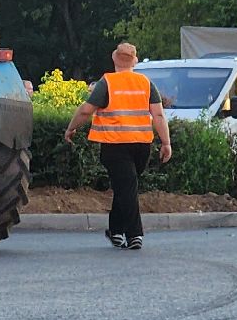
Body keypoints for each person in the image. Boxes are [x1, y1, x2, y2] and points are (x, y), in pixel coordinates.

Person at [63, 42, 172, 250]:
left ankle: (133, 235)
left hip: (114, 145)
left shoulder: (107, 83)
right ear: (135, 61)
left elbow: (86, 110)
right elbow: (158, 114)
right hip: (142, 146)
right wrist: (166, 142)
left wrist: (71, 128)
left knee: (125, 188)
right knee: (127, 187)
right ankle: (117, 231)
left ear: (114, 59)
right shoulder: (146, 83)